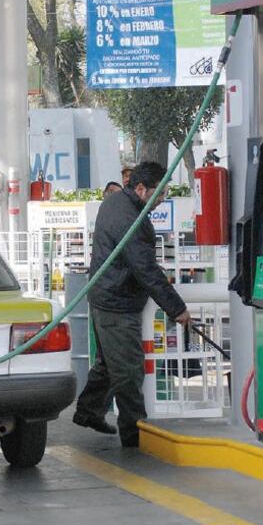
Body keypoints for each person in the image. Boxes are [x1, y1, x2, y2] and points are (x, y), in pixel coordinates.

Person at [73, 161, 190, 447]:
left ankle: (89, 411)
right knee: (128, 369)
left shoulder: (116, 203)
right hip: (117, 302)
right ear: (140, 189)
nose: (161, 201)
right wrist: (177, 309)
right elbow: (145, 269)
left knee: (109, 363)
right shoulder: (130, 220)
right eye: (158, 194)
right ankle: (134, 433)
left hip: (105, 295)